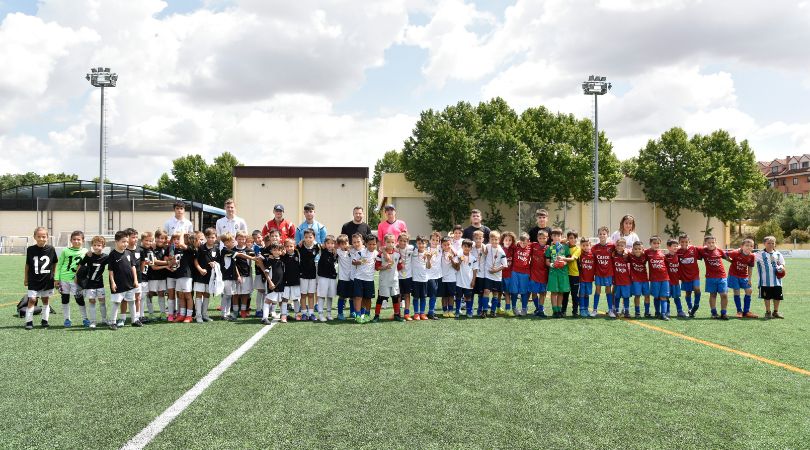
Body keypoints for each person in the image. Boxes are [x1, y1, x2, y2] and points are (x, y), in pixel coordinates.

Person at [23, 227, 58, 330]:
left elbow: (55, 262)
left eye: (44, 236)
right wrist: (26, 278)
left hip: (47, 279)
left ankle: (45, 320)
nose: (41, 239)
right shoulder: (30, 249)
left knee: (45, 299)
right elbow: (27, 265)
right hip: (33, 279)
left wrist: (54, 275)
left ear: (47, 237)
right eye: (39, 236)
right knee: (32, 299)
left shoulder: (51, 249)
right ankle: (29, 321)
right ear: (34, 237)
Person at [107, 230, 141, 330]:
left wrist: (135, 280)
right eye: (123, 241)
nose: (125, 244)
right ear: (116, 242)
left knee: (131, 301)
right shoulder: (112, 254)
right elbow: (110, 270)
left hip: (129, 283)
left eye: (126, 241)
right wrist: (112, 282)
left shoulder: (129, 253)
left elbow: (133, 267)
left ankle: (134, 320)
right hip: (118, 284)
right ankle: (113, 322)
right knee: (116, 303)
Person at [55, 230, 88, 327]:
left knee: (79, 300)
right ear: (71, 240)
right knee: (65, 299)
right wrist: (57, 279)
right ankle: (67, 319)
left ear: (83, 240)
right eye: (74, 239)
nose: (76, 241)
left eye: (79, 239)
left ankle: (85, 318)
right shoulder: (65, 251)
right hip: (64, 279)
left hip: (76, 280)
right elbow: (60, 265)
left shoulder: (85, 251)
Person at [78, 236, 109, 328]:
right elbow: (81, 265)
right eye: (94, 245)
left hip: (100, 283)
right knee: (91, 302)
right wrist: (77, 276)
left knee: (102, 302)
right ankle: (93, 321)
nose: (96, 247)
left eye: (99, 245)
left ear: (103, 246)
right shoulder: (89, 255)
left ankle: (104, 319)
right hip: (89, 284)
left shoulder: (106, 257)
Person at [373, 233, 403, 322]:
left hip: (394, 280)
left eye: (392, 242)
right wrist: (385, 267)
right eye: (388, 242)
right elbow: (377, 267)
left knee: (395, 297)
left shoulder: (397, 254)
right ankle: (376, 315)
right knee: (381, 297)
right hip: (384, 280)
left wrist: (402, 264)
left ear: (395, 242)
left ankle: (397, 315)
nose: (390, 244)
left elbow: (399, 267)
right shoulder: (380, 254)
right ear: (384, 242)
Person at [725, 238, 757, 319]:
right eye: (746, 245)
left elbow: (750, 267)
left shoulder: (752, 256)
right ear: (742, 246)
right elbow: (725, 254)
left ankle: (746, 311)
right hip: (734, 275)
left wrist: (749, 279)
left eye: (751, 246)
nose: (749, 247)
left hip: (744, 276)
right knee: (736, 291)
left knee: (749, 290)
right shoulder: (736, 253)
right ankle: (739, 311)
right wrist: (730, 261)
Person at [193, 228, 220, 323]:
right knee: (199, 294)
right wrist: (200, 269)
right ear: (205, 237)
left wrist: (215, 264)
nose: (210, 239)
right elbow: (195, 260)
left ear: (216, 238)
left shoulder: (217, 249)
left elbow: (219, 262)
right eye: (208, 237)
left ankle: (204, 314)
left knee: (207, 294)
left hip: (210, 276)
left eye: (213, 237)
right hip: (200, 275)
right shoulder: (201, 248)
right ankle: (198, 315)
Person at [545, 228, 573, 318]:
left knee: (561, 292)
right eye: (554, 236)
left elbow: (569, 259)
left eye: (558, 236)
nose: (556, 237)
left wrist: (564, 263)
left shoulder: (565, 247)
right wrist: (552, 264)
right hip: (553, 273)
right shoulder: (549, 248)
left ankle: (559, 309)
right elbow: (547, 261)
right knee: (554, 292)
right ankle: (555, 310)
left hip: (563, 273)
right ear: (551, 237)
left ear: (561, 237)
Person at [700, 235, 730, 320]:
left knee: (724, 294)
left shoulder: (719, 251)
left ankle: (723, 313)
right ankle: (714, 313)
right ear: (705, 243)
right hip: (710, 277)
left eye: (713, 242)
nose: (711, 244)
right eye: (709, 243)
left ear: (715, 243)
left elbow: (728, 258)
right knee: (713, 295)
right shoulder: (703, 251)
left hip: (722, 276)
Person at [755, 235, 785, 319]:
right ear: (764, 244)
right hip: (765, 281)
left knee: (777, 297)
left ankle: (776, 312)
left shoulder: (778, 254)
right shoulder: (759, 254)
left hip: (777, 281)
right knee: (767, 297)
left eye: (773, 243)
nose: (771, 245)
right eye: (768, 243)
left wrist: (782, 268)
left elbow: (782, 263)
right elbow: (749, 257)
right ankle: (768, 312)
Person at [352, 233, 378, 323]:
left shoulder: (376, 254)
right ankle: (358, 315)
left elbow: (378, 265)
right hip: (359, 278)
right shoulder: (360, 252)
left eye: (374, 244)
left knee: (368, 298)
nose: (372, 246)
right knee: (358, 297)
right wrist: (361, 261)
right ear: (365, 244)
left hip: (369, 280)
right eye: (370, 244)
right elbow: (353, 262)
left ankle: (367, 315)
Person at [645, 236, 671, 320]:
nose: (656, 245)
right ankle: (657, 312)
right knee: (656, 296)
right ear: (650, 244)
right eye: (654, 243)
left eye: (658, 243)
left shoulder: (663, 253)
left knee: (663, 296)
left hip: (664, 278)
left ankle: (663, 314)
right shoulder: (647, 252)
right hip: (654, 279)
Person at [298, 228, 321, 321]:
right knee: (303, 295)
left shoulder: (317, 247)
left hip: (312, 274)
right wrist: (301, 241)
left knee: (311, 294)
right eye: (306, 237)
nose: (308, 239)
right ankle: (303, 313)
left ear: (314, 238)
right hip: (302, 274)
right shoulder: (300, 246)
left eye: (310, 237)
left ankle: (311, 313)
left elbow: (324, 247)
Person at [591, 226, 615, 317]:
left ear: (607, 235)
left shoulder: (612, 246)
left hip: (608, 273)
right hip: (598, 273)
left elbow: (620, 250)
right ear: (598, 235)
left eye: (604, 234)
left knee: (608, 291)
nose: (602, 235)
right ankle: (594, 310)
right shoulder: (594, 248)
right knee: (597, 291)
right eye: (600, 234)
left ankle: (610, 310)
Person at [482, 230, 506, 318]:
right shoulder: (487, 246)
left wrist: (495, 270)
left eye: (496, 239)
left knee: (495, 293)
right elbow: (484, 253)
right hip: (488, 274)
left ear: (499, 240)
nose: (494, 241)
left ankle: (493, 311)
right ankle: (484, 310)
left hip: (497, 276)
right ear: (489, 239)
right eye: (492, 239)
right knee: (486, 291)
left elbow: (504, 265)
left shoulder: (501, 251)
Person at [677, 234, 702, 317]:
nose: (684, 243)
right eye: (682, 242)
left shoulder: (694, 249)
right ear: (679, 242)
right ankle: (690, 307)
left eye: (686, 242)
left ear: (689, 242)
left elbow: (704, 250)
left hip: (695, 275)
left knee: (697, 289)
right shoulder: (677, 252)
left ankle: (696, 305)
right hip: (684, 276)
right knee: (688, 293)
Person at [452, 239, 478, 318]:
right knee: (458, 297)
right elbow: (456, 268)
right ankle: (457, 311)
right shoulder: (459, 256)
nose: (467, 248)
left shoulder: (473, 258)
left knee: (468, 297)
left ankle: (469, 311)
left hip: (468, 282)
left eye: (469, 247)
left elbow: (475, 270)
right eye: (465, 246)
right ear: (462, 246)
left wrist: (473, 280)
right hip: (459, 281)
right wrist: (459, 262)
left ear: (471, 248)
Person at [316, 235, 338, 322]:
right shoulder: (322, 250)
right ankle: (320, 314)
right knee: (321, 296)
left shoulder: (335, 253)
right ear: (325, 244)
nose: (330, 245)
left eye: (332, 243)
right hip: (323, 277)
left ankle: (328, 313)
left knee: (330, 296)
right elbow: (316, 244)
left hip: (332, 277)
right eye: (328, 243)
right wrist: (321, 245)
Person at [410, 235, 431, 321]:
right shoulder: (413, 251)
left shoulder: (427, 253)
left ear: (426, 244)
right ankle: (416, 313)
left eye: (423, 243)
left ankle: (422, 313)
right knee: (415, 297)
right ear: (416, 244)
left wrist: (429, 259)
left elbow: (429, 267)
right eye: (419, 243)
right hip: (415, 279)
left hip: (424, 279)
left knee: (423, 297)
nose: (421, 245)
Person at [529, 230, 549, 317]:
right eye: (540, 238)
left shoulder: (549, 248)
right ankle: (537, 307)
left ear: (547, 238)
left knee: (542, 293)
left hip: (544, 274)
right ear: (537, 238)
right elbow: (524, 242)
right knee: (534, 293)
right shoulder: (533, 245)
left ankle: (541, 309)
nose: (542, 240)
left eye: (544, 238)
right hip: (534, 273)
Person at [561, 230, 581, 317]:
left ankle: (575, 311)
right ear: (568, 239)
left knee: (574, 294)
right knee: (565, 293)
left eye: (574, 238)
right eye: (570, 238)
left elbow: (572, 259)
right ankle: (563, 311)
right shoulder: (564, 247)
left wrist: (562, 258)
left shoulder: (578, 249)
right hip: (565, 274)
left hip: (575, 275)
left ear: (576, 239)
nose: (572, 240)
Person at [628, 241, 651, 318]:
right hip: (635, 280)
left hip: (645, 279)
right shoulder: (630, 256)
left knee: (647, 295)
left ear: (642, 249)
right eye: (635, 249)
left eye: (639, 249)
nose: (637, 250)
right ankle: (637, 312)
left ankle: (647, 312)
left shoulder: (645, 255)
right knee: (637, 295)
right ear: (632, 250)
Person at [665, 240, 686, 318]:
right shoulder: (665, 257)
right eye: (674, 246)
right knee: (667, 297)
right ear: (668, 247)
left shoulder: (678, 255)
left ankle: (680, 311)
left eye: (677, 246)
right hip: (667, 281)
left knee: (677, 297)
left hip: (676, 281)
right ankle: (667, 311)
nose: (676, 247)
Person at [335, 235, 354, 320]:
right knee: (342, 297)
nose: (344, 245)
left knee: (352, 296)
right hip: (342, 279)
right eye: (342, 244)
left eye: (346, 243)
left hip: (352, 278)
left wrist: (351, 247)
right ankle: (340, 313)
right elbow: (331, 247)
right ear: (339, 245)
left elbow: (362, 246)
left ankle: (352, 312)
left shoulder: (352, 251)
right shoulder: (338, 251)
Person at [577, 238, 595, 317]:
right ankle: (581, 309)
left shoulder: (593, 255)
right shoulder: (580, 254)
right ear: (580, 246)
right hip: (582, 278)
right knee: (581, 294)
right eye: (583, 245)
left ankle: (586, 309)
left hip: (590, 279)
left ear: (590, 245)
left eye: (587, 245)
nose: (585, 247)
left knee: (587, 294)